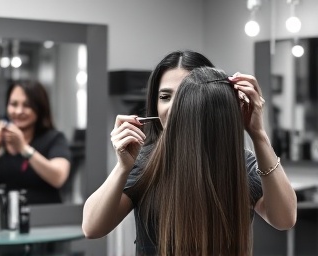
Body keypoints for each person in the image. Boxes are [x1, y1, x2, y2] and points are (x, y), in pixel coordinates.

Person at [82, 51, 297, 255]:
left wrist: (258, 135)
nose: (174, 107)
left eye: (186, 95)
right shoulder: (146, 162)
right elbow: (92, 228)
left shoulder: (239, 163)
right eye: (165, 97)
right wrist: (122, 167)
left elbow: (284, 218)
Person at [0, 80, 71, 204]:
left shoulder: (54, 138)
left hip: (46, 217)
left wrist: (23, 148)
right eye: (13, 104)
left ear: (39, 107)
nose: (18, 111)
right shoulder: (1, 141)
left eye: (27, 105)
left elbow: (58, 177)